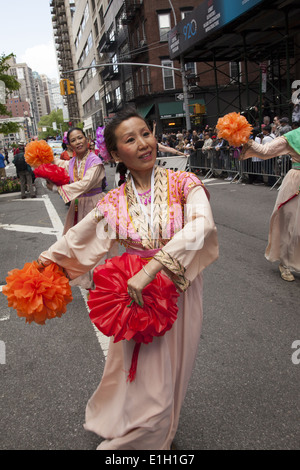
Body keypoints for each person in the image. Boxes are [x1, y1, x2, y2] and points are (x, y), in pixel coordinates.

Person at [37, 108, 219, 450]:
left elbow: (202, 225)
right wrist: (42, 268)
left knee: (172, 372)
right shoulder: (114, 201)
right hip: (135, 298)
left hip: (179, 289)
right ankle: (141, 437)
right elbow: (80, 239)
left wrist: (152, 268)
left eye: (145, 134)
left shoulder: (185, 182)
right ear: (117, 154)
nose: (143, 144)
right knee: (143, 372)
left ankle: (155, 429)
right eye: (130, 139)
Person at [240, 126, 300, 282]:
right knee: (291, 225)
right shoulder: (293, 136)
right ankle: (285, 264)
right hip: (296, 185)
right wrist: (243, 138)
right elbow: (265, 151)